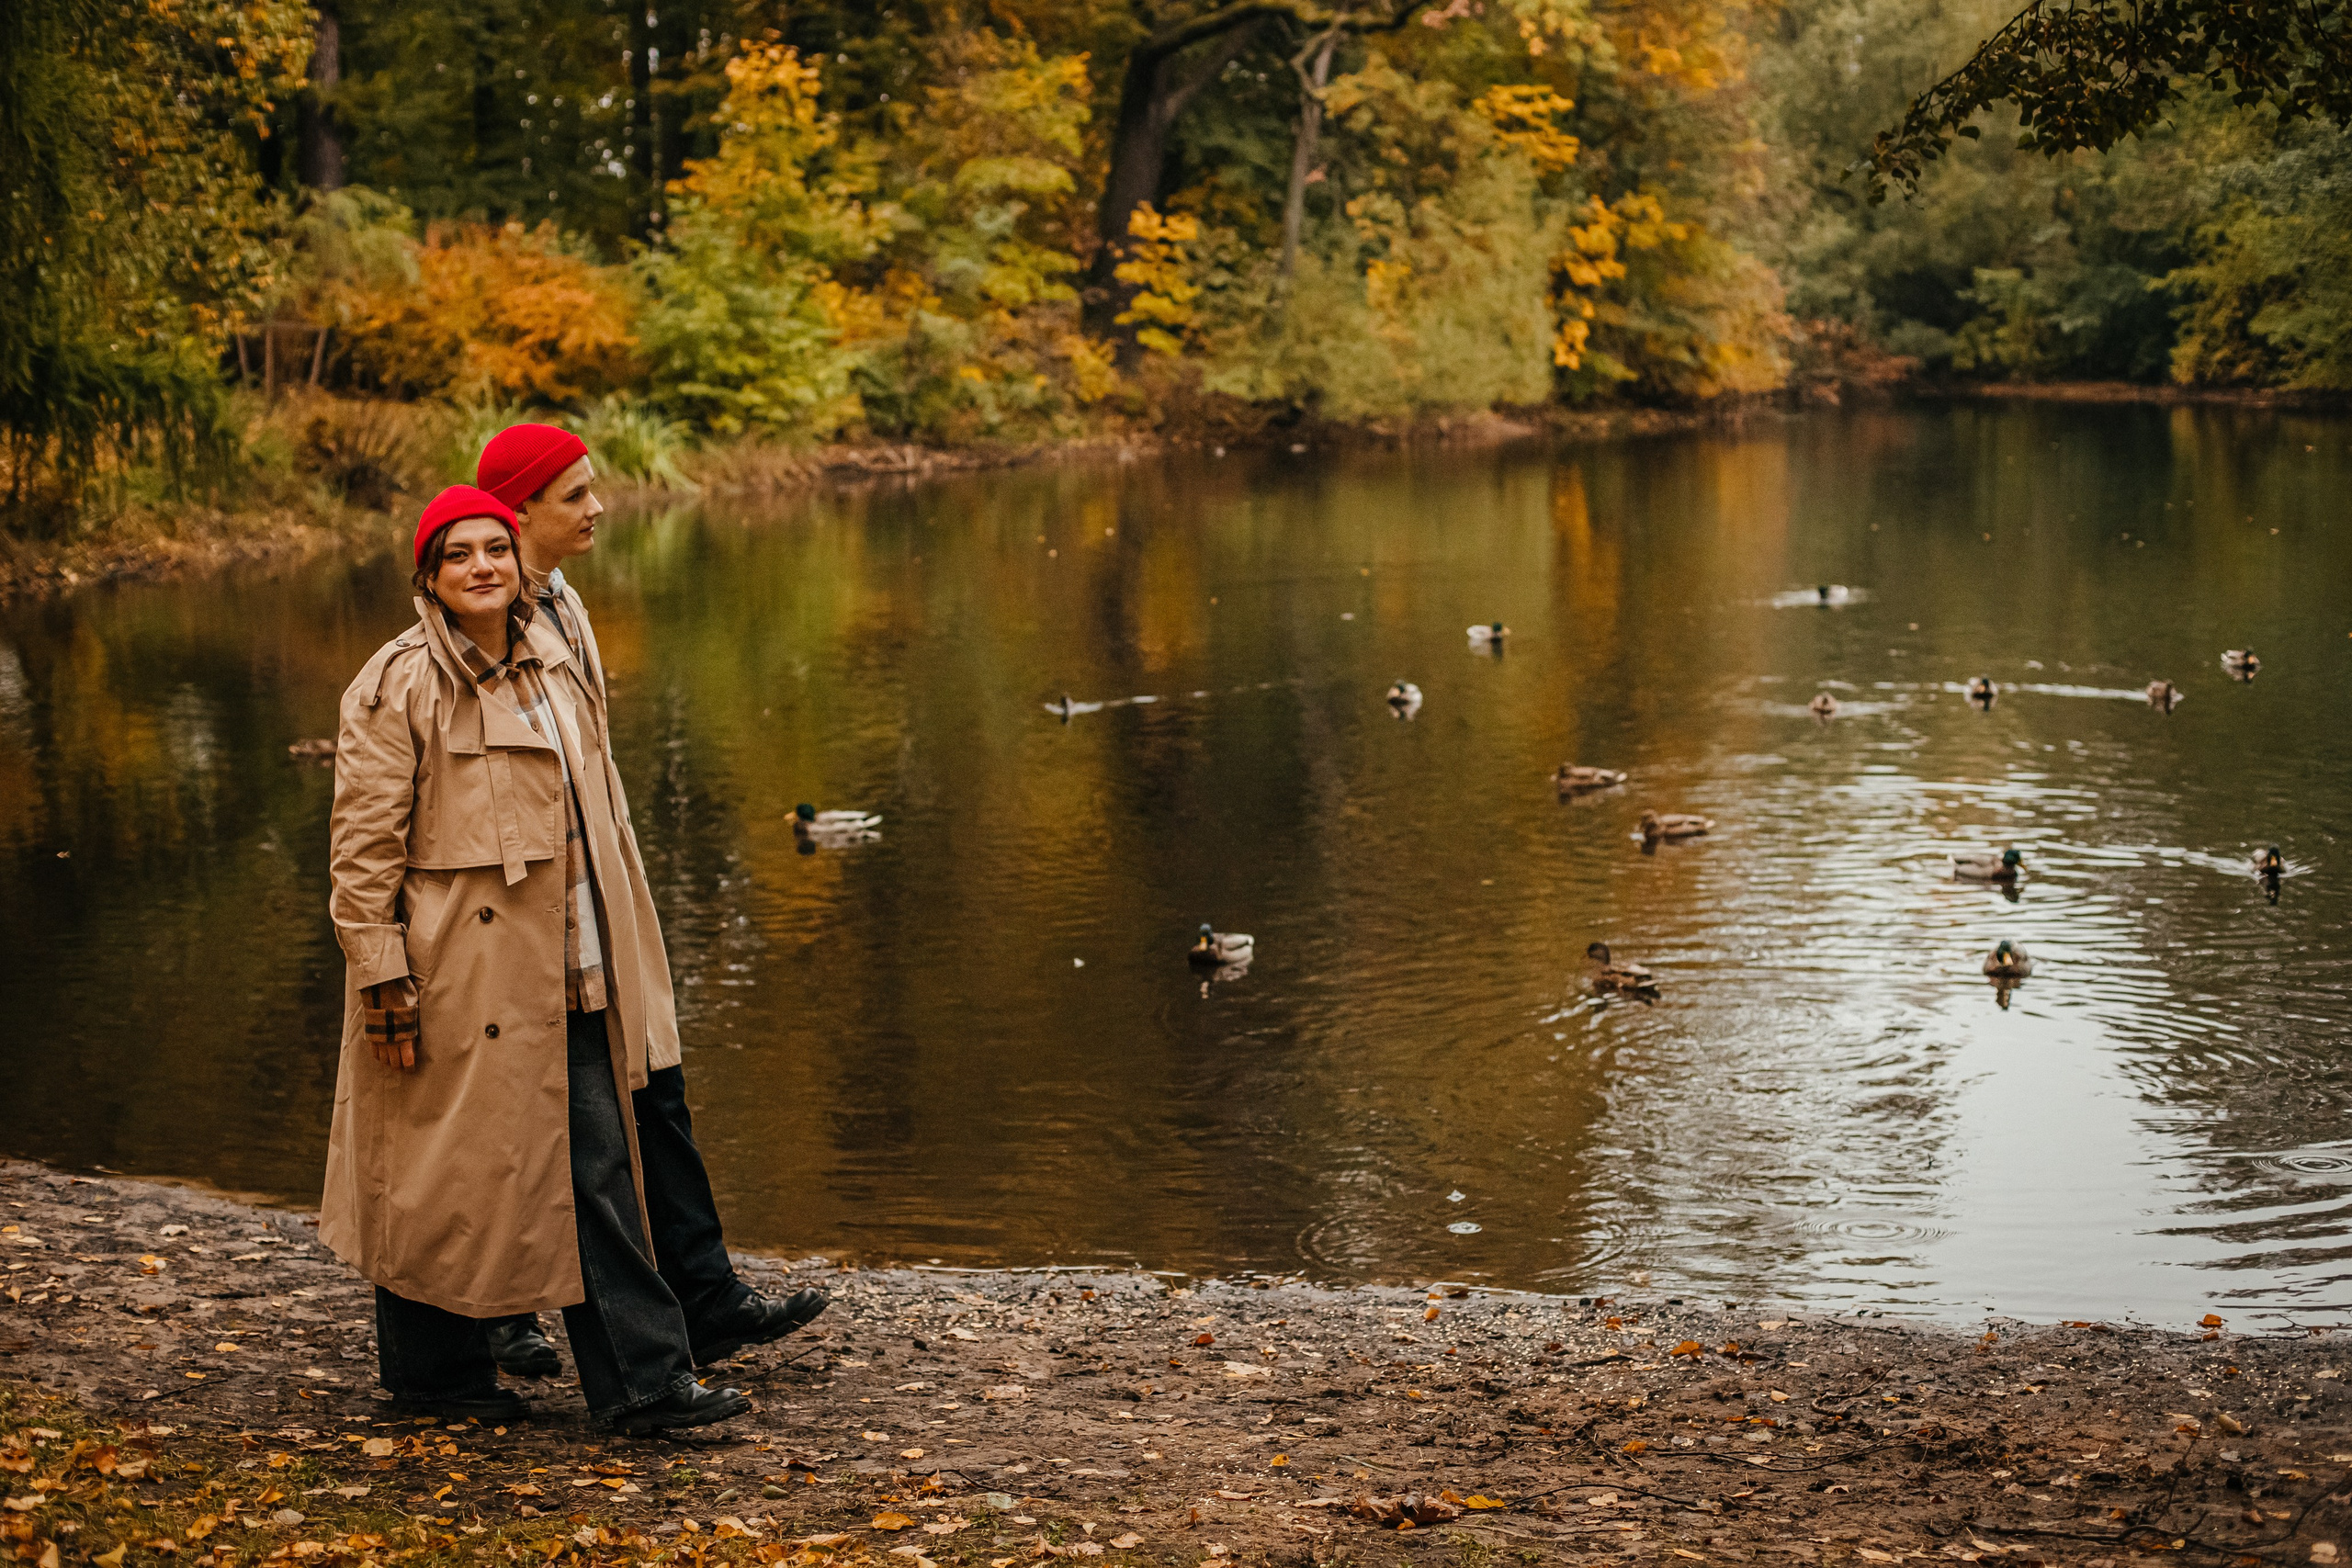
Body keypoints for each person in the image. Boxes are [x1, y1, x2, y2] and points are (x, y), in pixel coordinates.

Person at [320, 484, 747, 1433]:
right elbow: (362, 851)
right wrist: (382, 977)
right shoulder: (396, 685)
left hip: (572, 967)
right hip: (452, 978)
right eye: (458, 554)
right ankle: (435, 1378)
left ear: (518, 563)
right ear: (429, 576)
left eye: (495, 550)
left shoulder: (553, 660)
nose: (482, 567)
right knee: (434, 1173)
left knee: (599, 1168)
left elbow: (597, 822)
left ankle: (641, 1383)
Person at [472, 423, 828, 1377]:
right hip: (533, 915)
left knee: (653, 1083)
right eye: (575, 495)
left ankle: (704, 1296)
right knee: (549, 1117)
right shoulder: (492, 621)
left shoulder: (566, 604)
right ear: (520, 510)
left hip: (605, 887)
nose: (598, 507)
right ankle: (502, 1312)